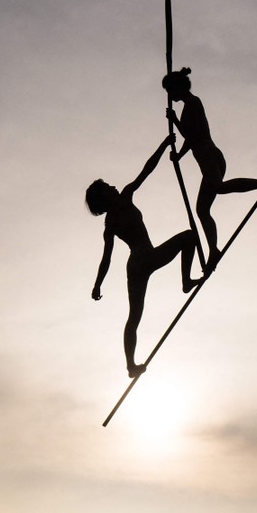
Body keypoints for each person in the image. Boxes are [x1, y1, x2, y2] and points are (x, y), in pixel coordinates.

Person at [87, 134, 202, 378]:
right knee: (190, 236)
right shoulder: (124, 199)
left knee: (134, 318)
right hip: (146, 256)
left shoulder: (110, 223)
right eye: (107, 187)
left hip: (135, 265)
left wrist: (98, 284)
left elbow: (107, 259)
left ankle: (130, 365)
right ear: (104, 197)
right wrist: (165, 144)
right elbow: (147, 169)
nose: (113, 186)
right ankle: (185, 281)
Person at [163, 67, 257, 273]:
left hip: (210, 155)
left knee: (218, 187)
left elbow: (191, 135)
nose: (169, 96)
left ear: (177, 88)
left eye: (169, 91)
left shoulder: (192, 103)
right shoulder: (189, 105)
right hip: (208, 158)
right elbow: (190, 138)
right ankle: (213, 250)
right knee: (202, 210)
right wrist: (179, 155)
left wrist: (175, 121)